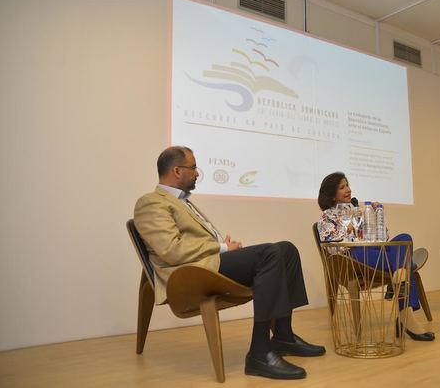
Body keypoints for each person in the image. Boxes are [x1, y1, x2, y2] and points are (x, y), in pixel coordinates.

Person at [134, 146, 325, 380]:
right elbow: (171, 250)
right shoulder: (151, 202)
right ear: (176, 170)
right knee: (270, 253)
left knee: (286, 249)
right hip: (190, 275)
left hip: (208, 264)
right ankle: (259, 353)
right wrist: (222, 247)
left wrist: (221, 244)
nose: (197, 173)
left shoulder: (183, 202)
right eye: (193, 168)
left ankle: (283, 336)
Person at [316, 172, 434, 341]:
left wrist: (377, 215)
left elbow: (383, 240)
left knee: (404, 239)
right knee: (404, 263)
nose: (348, 189)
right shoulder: (326, 218)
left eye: (348, 185)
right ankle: (405, 304)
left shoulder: (359, 212)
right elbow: (333, 249)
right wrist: (348, 231)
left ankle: (399, 277)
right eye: (342, 187)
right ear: (332, 195)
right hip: (354, 259)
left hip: (375, 254)